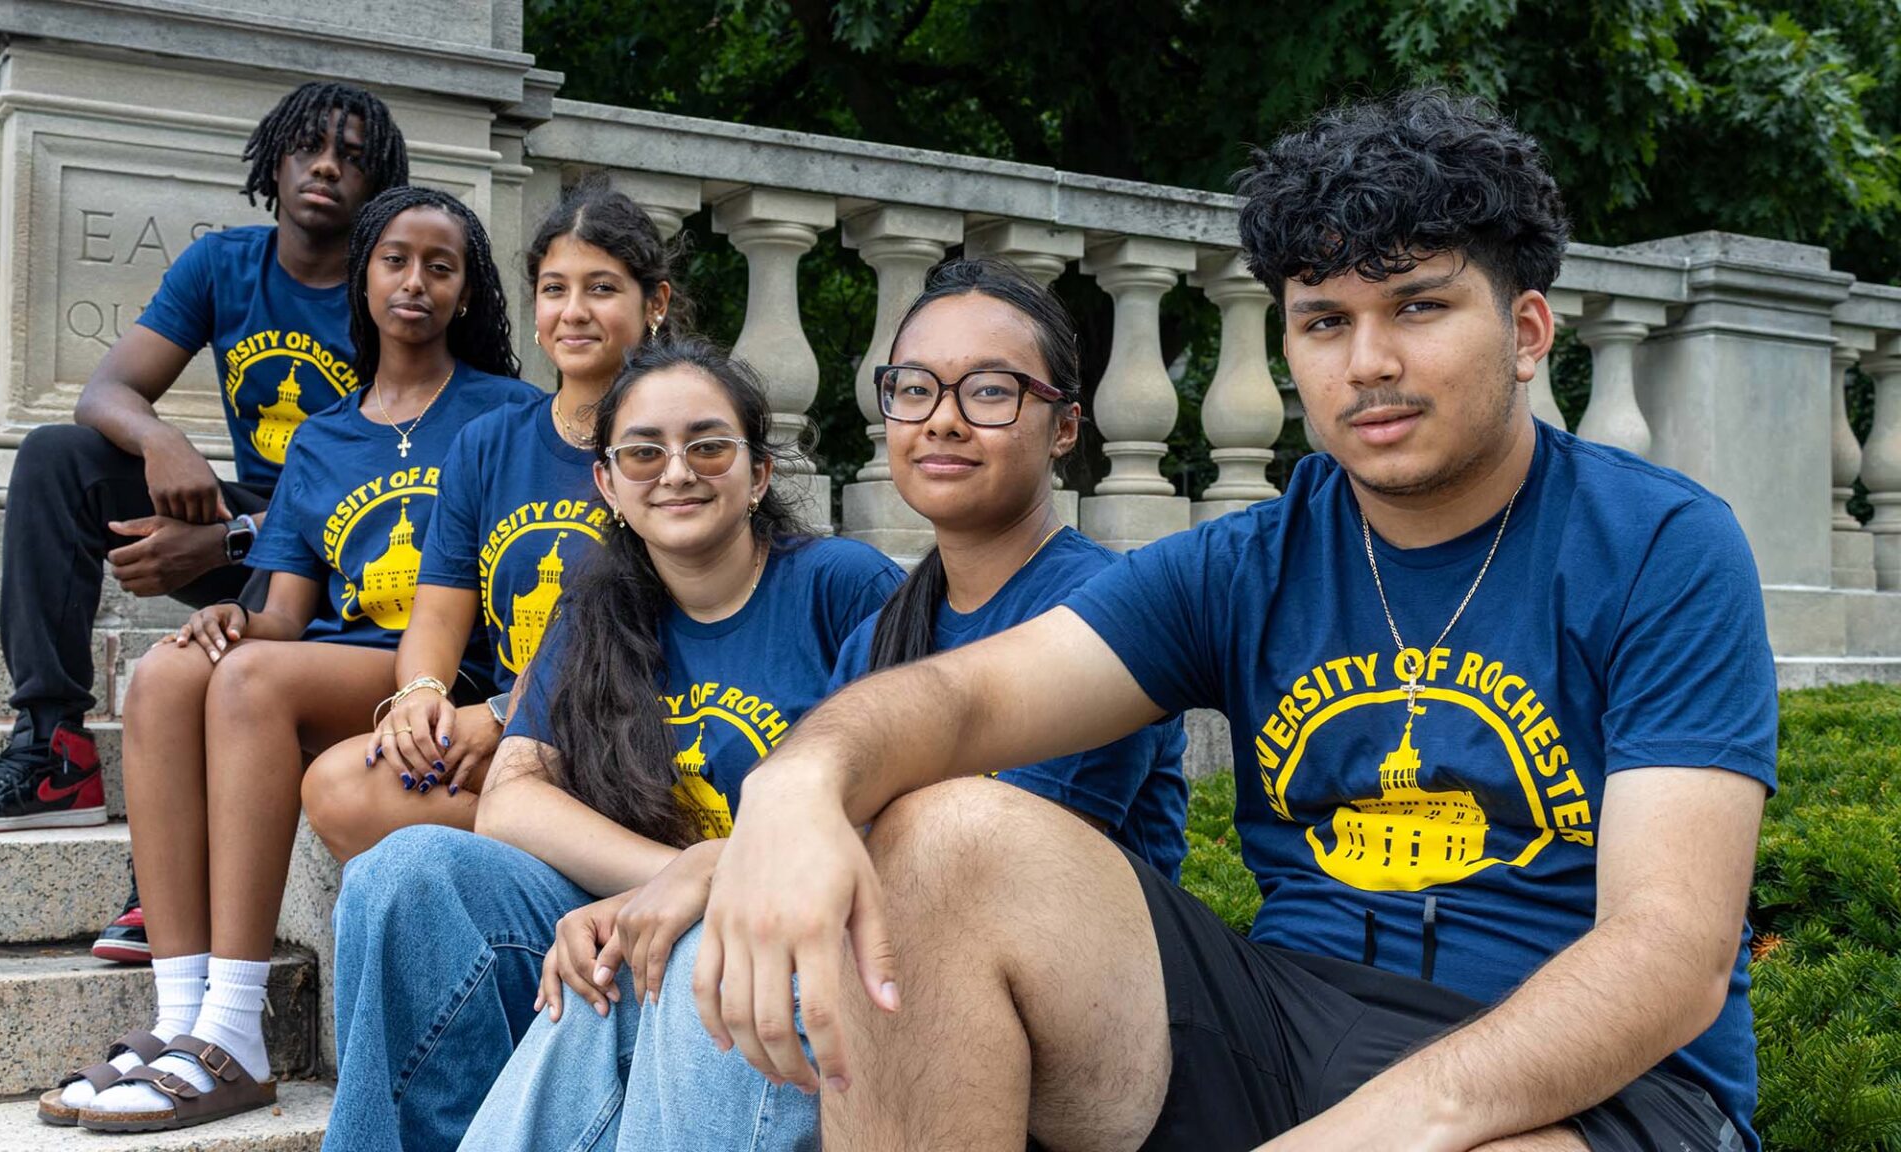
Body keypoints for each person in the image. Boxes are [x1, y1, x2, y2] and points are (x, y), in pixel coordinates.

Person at [693, 90, 1777, 1152]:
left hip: (1601, 1083)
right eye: (1324, 321)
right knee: (936, 840)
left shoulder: (1658, 546)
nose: (1368, 364)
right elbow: (966, 694)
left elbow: (1669, 951)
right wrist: (801, 782)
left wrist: (1373, 1132)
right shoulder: (1250, 561)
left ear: (1528, 329)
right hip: (1287, 1019)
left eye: (1417, 307)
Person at [452, 257, 1194, 1151]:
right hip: (905, 987)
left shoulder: (1098, 614)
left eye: (990, 392)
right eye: (915, 390)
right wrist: (684, 882)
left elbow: (977, 879)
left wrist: (703, 876)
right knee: (618, 964)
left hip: (1083, 1017)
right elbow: (799, 837)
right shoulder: (891, 628)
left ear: (1066, 425)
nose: (944, 419)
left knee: (715, 950)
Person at [320, 338, 904, 1152]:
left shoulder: (844, 588)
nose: (676, 471)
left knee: (708, 942)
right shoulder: (595, 607)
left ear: (758, 473)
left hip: (793, 933)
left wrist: (716, 883)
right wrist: (666, 883)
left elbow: (906, 811)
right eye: (642, 452)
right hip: (627, 911)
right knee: (402, 874)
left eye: (708, 445)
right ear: (607, 483)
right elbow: (512, 800)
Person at [37, 186, 531, 1134]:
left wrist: (256, 655)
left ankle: (238, 1032)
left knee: (255, 678)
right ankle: (184, 1017)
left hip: (441, 671)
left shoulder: (504, 413)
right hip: (329, 658)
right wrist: (224, 625)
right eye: (395, 260)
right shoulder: (325, 436)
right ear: (364, 278)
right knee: (171, 672)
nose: (416, 282)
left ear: (468, 292)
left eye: (441, 265)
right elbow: (286, 614)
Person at [0, 80, 407, 969]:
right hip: (250, 520)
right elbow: (108, 390)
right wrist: (162, 438)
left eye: (355, 157)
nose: (328, 166)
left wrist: (230, 543)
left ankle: (177, 873)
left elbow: (391, 476)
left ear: (379, 187)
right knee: (59, 458)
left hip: (346, 552)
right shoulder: (223, 268)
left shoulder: (384, 295)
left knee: (227, 637)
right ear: (276, 162)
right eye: (311, 147)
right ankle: (54, 745)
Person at [301, 176, 681, 860]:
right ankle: (578, 860)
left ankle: (589, 854)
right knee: (339, 785)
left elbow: (661, 623)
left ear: (654, 303)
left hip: (627, 722)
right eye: (556, 289)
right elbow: (441, 612)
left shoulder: (672, 443)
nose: (574, 311)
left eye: (602, 288)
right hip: (518, 740)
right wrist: (419, 694)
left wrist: (507, 714)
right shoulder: (491, 441)